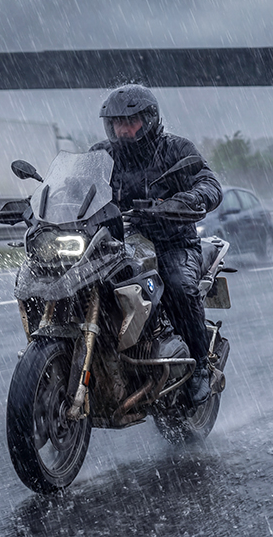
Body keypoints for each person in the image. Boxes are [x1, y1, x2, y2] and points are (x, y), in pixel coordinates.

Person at [90, 84, 222, 406]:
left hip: (172, 241)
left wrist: (186, 199)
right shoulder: (101, 155)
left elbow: (209, 183)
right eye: (116, 122)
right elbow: (74, 186)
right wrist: (41, 203)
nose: (122, 129)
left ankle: (201, 366)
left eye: (130, 121)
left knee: (177, 286)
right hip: (118, 243)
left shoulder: (175, 150)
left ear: (149, 119)